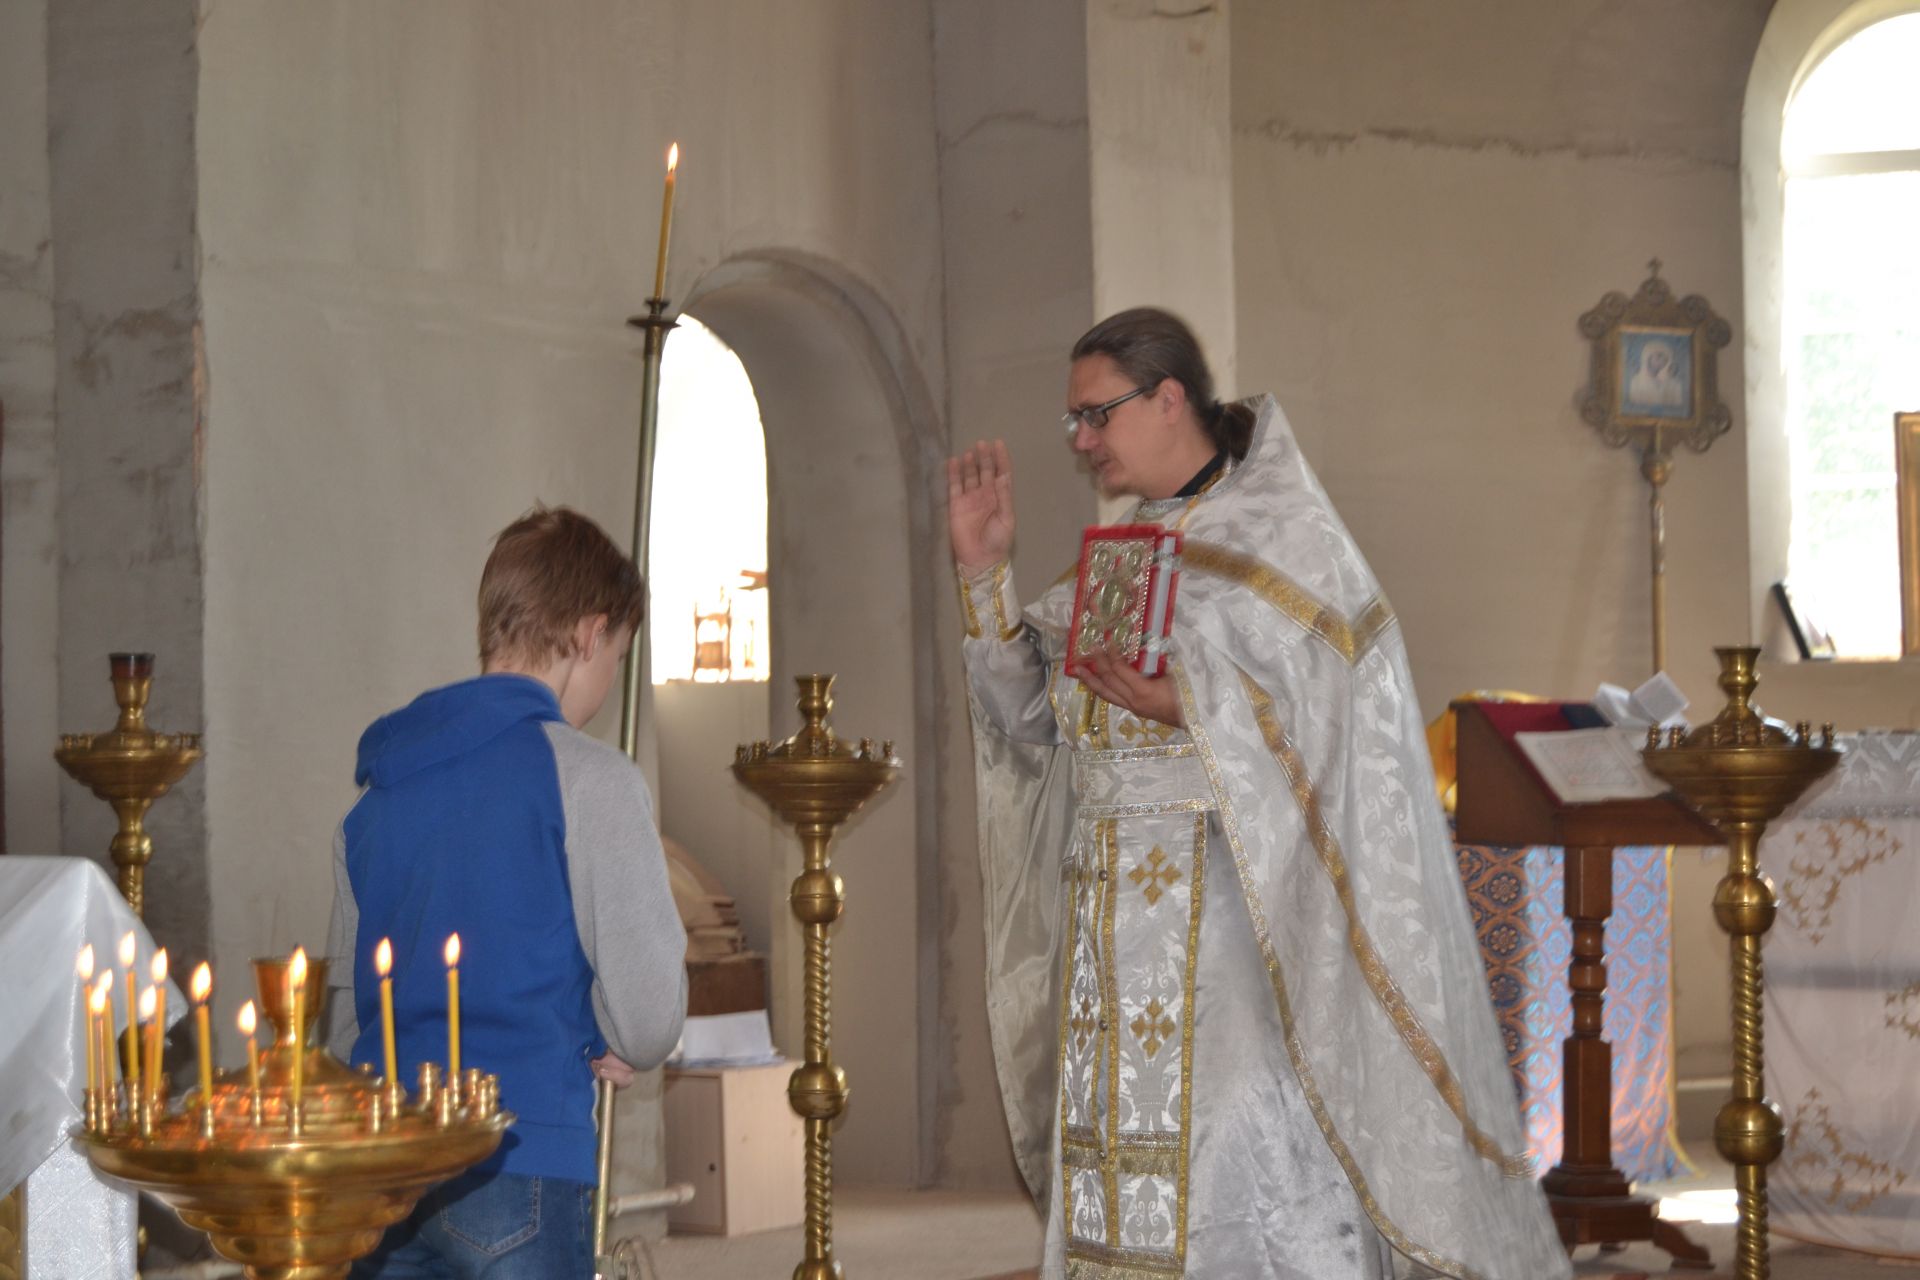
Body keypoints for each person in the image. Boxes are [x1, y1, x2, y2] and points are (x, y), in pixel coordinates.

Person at [950, 308, 1570, 1279]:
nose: (1081, 440)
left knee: (1239, 1164)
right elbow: (1034, 724)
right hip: (1109, 950)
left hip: (1238, 932)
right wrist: (984, 575)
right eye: (1071, 421)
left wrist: (1190, 702)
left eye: (1095, 415)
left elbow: (1345, 705)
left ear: (1167, 400)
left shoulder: (1289, 537)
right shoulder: (1117, 558)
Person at [326, 504, 688, 1279]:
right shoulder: (591, 779)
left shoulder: (379, 790)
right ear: (592, 635)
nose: (608, 677)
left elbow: (341, 1013)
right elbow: (650, 1014)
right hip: (518, 1153)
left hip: (378, 1163)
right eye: (617, 656)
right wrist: (614, 1035)